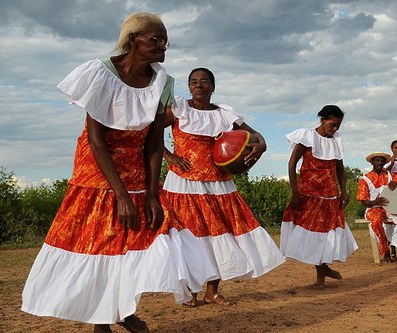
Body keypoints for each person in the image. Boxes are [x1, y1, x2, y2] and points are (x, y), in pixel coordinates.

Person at [21, 12, 211, 333]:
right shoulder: (100, 73)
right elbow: (96, 139)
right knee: (102, 241)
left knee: (141, 237)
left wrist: (152, 195)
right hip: (98, 169)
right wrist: (120, 195)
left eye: (165, 41)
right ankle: (103, 320)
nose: (163, 46)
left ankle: (122, 308)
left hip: (136, 167)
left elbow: (153, 142)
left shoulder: (163, 82)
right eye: (156, 39)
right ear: (134, 39)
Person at [161, 68, 285, 306]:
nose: (198, 86)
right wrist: (169, 156)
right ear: (188, 87)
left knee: (221, 234)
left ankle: (212, 291)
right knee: (191, 236)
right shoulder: (180, 109)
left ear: (213, 86)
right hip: (184, 183)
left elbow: (257, 136)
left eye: (204, 81)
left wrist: (262, 145)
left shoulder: (225, 113)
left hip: (218, 183)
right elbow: (151, 131)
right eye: (194, 82)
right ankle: (191, 293)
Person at [280, 105, 358, 287]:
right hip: (307, 193)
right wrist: (294, 192)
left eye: (338, 125)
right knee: (311, 233)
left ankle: (322, 275)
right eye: (332, 124)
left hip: (329, 195)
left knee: (324, 235)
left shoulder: (336, 140)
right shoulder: (307, 137)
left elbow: (340, 168)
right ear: (322, 120)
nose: (335, 129)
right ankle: (323, 271)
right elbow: (291, 165)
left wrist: (344, 191)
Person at [356, 152, 397, 262]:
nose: (380, 163)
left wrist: (396, 183)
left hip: (391, 207)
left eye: (382, 161)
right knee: (376, 220)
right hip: (374, 208)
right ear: (372, 162)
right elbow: (364, 202)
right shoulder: (365, 179)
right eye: (377, 160)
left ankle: (393, 244)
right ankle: (385, 251)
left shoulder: (389, 175)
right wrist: (374, 202)